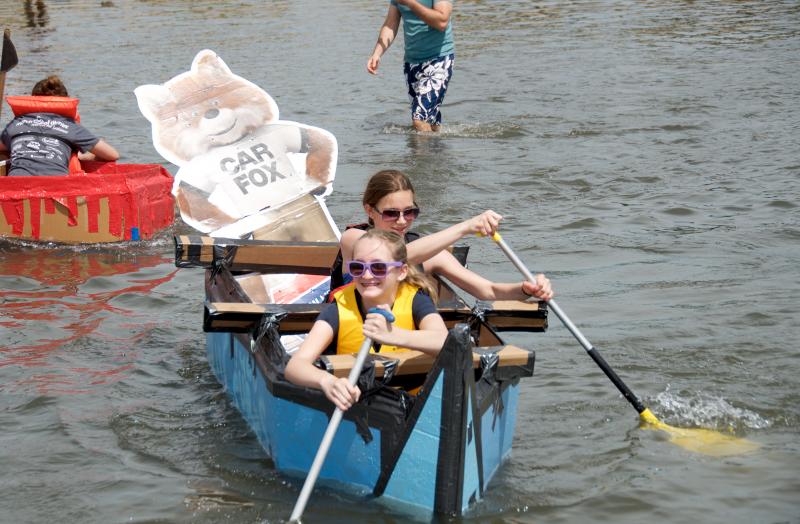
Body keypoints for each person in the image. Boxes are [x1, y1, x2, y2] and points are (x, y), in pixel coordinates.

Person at [285, 229, 449, 411]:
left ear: (401, 272)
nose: (367, 275)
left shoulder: (416, 301)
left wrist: (395, 335)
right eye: (358, 267)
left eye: (378, 267)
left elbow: (446, 341)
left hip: (410, 408)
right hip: (352, 406)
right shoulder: (339, 308)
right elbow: (295, 366)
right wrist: (327, 381)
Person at [333, 169, 554, 303]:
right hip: (351, 332)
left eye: (410, 212)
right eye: (391, 214)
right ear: (370, 211)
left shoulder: (429, 254)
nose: (402, 221)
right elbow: (393, 257)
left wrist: (527, 289)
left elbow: (488, 290)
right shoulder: (353, 239)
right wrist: (464, 227)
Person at [0, 75, 119, 176]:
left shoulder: (15, 124)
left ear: (33, 99)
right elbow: (112, 155)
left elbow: (4, 148)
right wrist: (82, 156)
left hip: (16, 183)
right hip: (56, 186)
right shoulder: (71, 127)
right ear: (65, 101)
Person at [367, 0, 455, 132]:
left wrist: (410, 3)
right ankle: (437, 151)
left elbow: (442, 22)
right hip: (411, 63)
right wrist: (377, 53)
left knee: (419, 119)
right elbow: (391, 23)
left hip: (439, 60)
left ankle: (419, 153)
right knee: (431, 122)